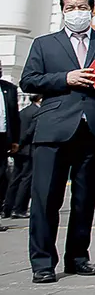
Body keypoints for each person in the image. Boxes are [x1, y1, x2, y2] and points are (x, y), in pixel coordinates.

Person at [20, 0, 95, 284]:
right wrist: (64, 78)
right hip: (54, 130)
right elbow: (28, 80)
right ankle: (42, 263)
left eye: (81, 7)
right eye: (70, 8)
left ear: (91, 10)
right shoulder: (45, 44)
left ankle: (78, 257)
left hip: (94, 128)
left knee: (85, 199)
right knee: (45, 200)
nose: (76, 12)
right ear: (63, 11)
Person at [5, 95, 40, 219]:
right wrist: (21, 143)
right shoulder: (37, 112)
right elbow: (30, 131)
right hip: (28, 150)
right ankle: (19, 208)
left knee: (15, 179)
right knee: (26, 180)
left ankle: (7, 208)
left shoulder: (24, 111)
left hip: (19, 150)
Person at [0, 66, 20, 232]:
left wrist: (15, 140)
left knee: (2, 178)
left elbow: (14, 116)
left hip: (2, 139)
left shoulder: (9, 89)